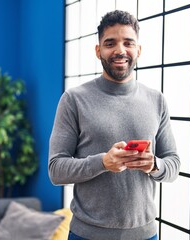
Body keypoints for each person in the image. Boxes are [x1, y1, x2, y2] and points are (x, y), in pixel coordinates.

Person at [48, 10, 180, 240]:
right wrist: (103, 162)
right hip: (86, 235)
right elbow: (56, 170)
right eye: (110, 43)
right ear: (98, 50)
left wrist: (154, 165)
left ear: (138, 50)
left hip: (146, 235)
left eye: (128, 43)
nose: (120, 50)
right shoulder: (73, 100)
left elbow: (173, 165)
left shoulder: (157, 100)